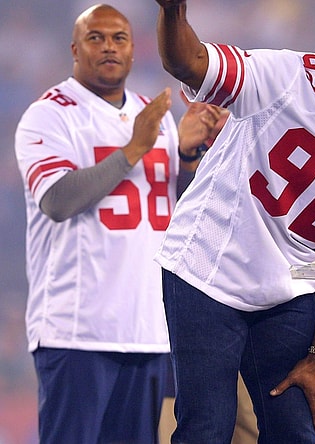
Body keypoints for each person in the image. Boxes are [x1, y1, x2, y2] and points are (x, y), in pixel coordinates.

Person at [152, 1, 315, 442]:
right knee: (206, 427)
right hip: (206, 271)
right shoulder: (287, 76)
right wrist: (173, 12)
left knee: (295, 429)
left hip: (287, 288)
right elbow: (190, 62)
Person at [13, 4, 222, 443]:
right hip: (76, 330)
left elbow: (174, 209)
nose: (109, 46)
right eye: (96, 37)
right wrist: (133, 149)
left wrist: (185, 154)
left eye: (119, 38)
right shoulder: (50, 114)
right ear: (75, 48)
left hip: (147, 329)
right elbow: (57, 200)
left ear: (132, 50)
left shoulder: (154, 114)